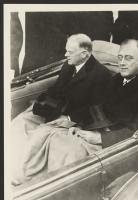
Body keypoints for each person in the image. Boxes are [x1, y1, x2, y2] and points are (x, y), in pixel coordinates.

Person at [11, 33, 114, 184]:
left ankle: (25, 176)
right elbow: (57, 89)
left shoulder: (101, 75)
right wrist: (41, 105)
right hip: (57, 111)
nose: (65, 55)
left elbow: (96, 109)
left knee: (40, 134)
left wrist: (69, 119)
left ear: (84, 54)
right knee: (21, 121)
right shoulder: (69, 64)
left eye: (69, 52)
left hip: (75, 119)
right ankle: (12, 163)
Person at [75, 39, 138, 148]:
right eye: (120, 57)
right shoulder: (117, 79)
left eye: (128, 58)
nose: (122, 63)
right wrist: (80, 126)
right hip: (93, 131)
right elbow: (96, 105)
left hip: (117, 146)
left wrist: (100, 138)